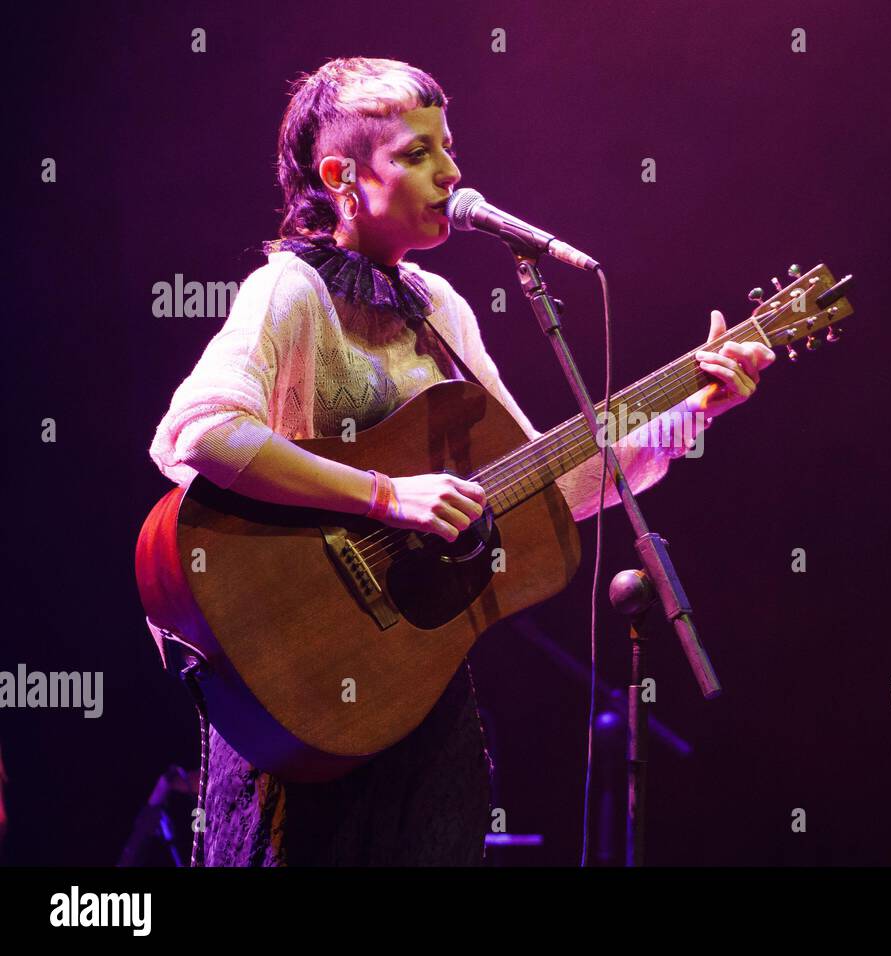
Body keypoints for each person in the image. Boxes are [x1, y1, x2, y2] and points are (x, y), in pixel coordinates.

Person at [146, 56, 774, 866]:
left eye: (448, 147)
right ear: (343, 175)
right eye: (417, 153)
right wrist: (384, 496)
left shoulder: (441, 307)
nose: (451, 172)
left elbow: (541, 484)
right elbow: (201, 431)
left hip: (413, 699)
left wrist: (689, 411)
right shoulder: (290, 293)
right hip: (300, 691)